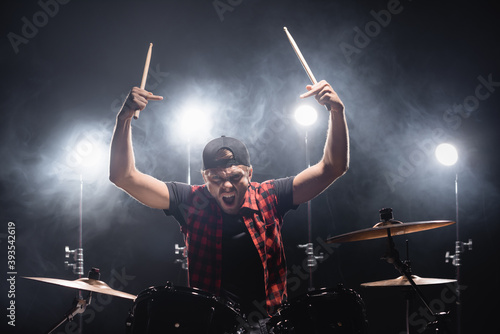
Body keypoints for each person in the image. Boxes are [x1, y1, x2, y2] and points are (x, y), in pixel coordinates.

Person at [109, 80, 349, 330]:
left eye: (235, 178)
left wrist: (336, 111)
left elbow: (333, 167)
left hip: (268, 323)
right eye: (216, 178)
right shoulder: (191, 201)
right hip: (211, 324)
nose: (226, 186)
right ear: (204, 177)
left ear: (250, 174)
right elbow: (123, 176)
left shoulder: (271, 196)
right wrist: (123, 119)